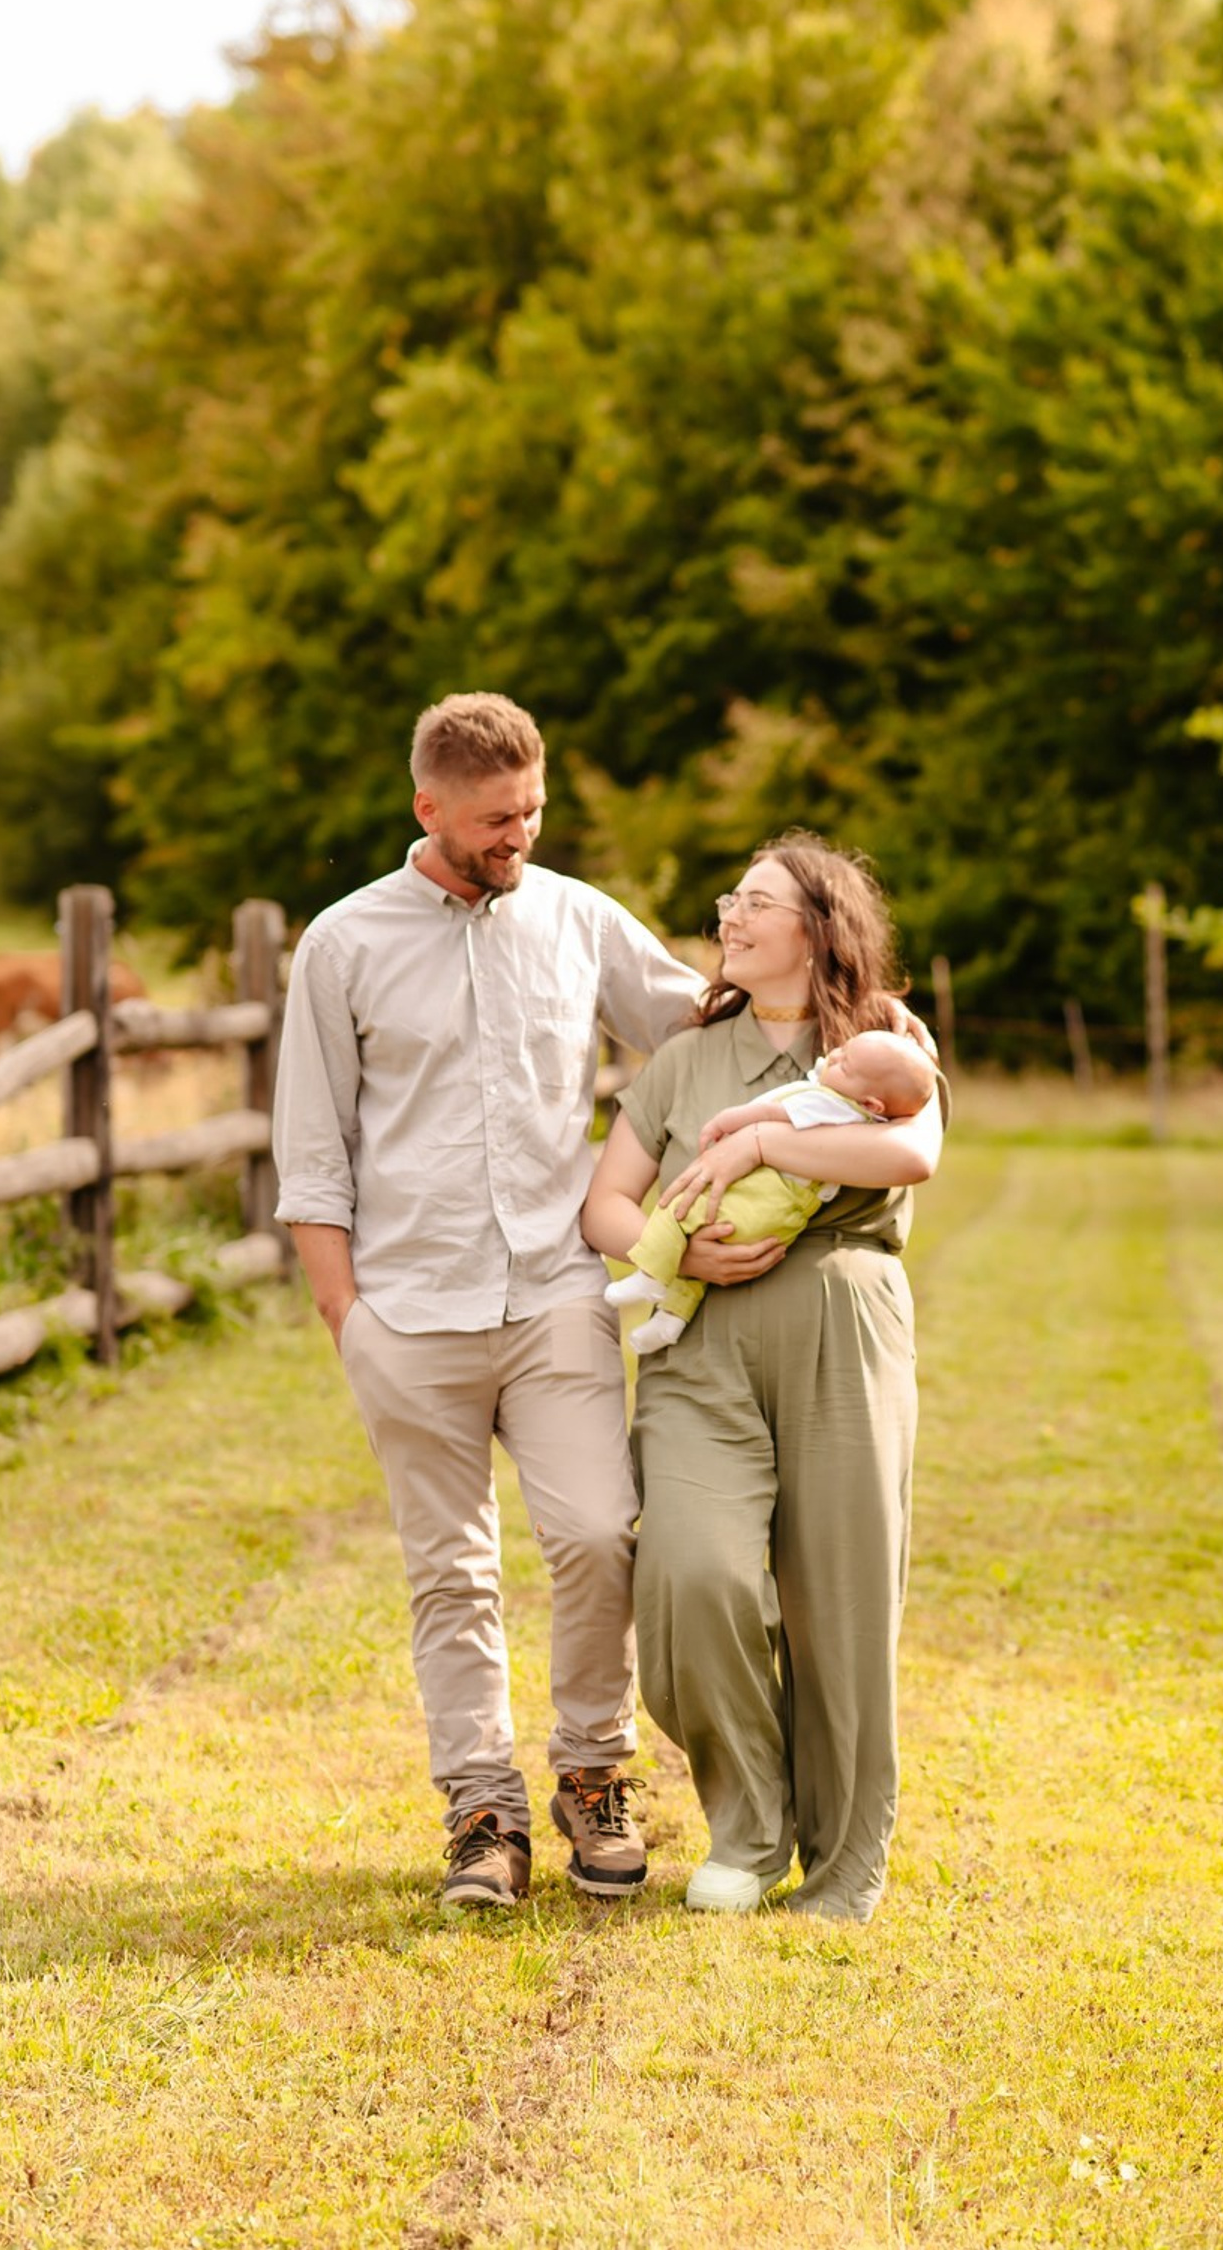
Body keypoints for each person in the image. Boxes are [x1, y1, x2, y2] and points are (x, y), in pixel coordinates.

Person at [271, 691, 779, 1909]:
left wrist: (857, 1033)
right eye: (497, 819)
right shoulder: (341, 944)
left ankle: (593, 1773)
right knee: (452, 1574)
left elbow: (703, 1031)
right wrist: (349, 1321)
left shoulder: (577, 919)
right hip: (408, 1312)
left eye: (533, 811)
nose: (521, 836)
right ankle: (481, 1811)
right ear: (428, 807)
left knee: (601, 1534)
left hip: (554, 1294)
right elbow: (312, 1150)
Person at [582, 834, 945, 1922]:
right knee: (693, 1575)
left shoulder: (888, 1038)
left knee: (842, 1598)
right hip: (701, 1347)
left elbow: (909, 1155)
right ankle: (748, 1828)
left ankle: (844, 1861)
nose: (729, 918)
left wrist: (759, 1147)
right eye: (729, 900)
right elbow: (604, 1204)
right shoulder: (684, 1060)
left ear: (818, 929)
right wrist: (672, 1249)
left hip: (845, 1331)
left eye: (756, 902)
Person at [604, 1026, 938, 1353]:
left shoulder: (831, 1100)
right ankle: (672, 1319)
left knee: (680, 1211)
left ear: (872, 1104)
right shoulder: (864, 1108)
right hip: (781, 1219)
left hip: (761, 1206)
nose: (834, 1056)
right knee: (698, 1263)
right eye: (842, 1050)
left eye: (846, 1065)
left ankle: (651, 1271)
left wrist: (738, 1128)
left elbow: (773, 1111)